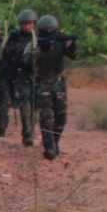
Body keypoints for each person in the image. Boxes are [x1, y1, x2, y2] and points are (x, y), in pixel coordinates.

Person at [28, 14, 78, 159]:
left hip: (58, 83)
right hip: (42, 83)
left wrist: (71, 44)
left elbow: (73, 55)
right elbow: (26, 60)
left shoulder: (60, 41)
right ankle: (49, 147)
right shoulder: (35, 43)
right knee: (46, 117)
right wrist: (40, 50)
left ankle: (55, 143)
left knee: (61, 117)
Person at [2, 9, 40, 147]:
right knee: (25, 104)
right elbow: (7, 53)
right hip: (21, 74)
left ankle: (29, 132)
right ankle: (28, 134)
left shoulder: (39, 36)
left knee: (35, 106)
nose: (27, 26)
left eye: (30, 23)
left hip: (36, 76)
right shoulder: (15, 36)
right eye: (24, 24)